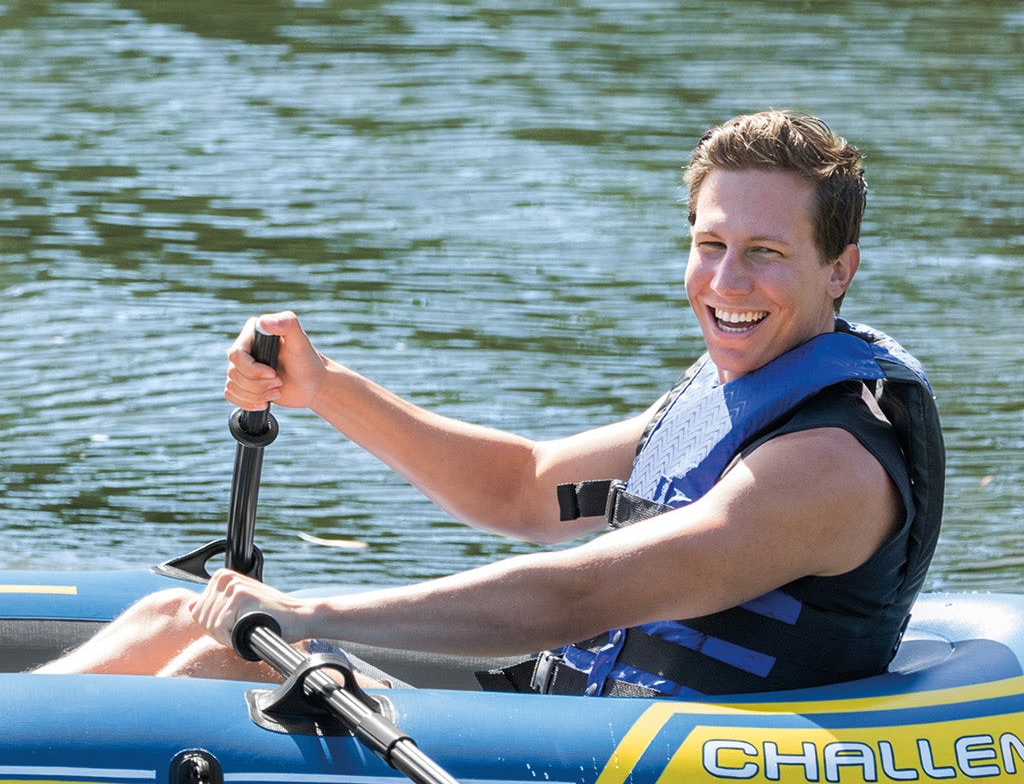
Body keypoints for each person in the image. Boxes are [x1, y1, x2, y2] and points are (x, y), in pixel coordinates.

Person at [36, 110, 944, 698]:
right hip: (575, 708)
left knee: (235, 653)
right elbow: (522, 488)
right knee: (171, 614)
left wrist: (304, 616)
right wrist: (326, 389)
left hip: (653, 763)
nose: (726, 280)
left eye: (765, 253)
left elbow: (580, 593)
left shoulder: (832, 462)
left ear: (840, 270)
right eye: (711, 244)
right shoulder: (734, 391)